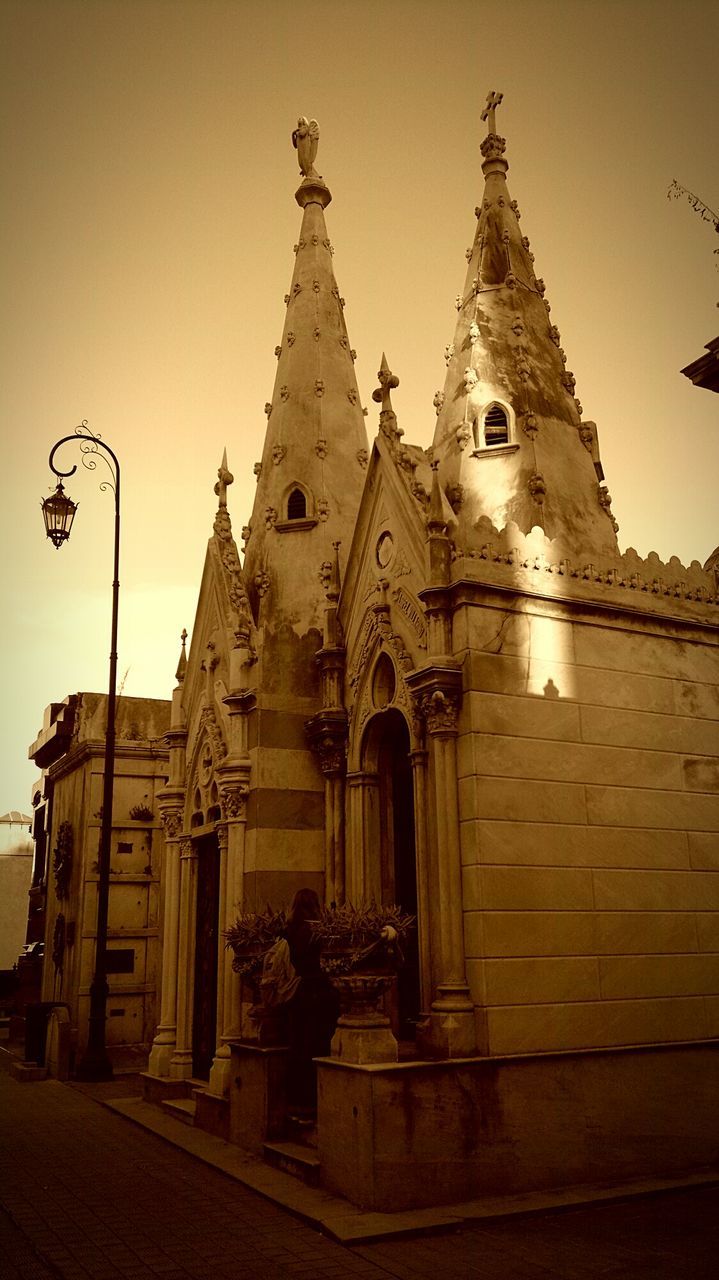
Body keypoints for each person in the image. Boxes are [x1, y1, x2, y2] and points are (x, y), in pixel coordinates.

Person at [283, 887, 339, 1119]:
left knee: (300, 1048)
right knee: (317, 1046)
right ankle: (314, 1105)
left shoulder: (290, 931)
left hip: (301, 992)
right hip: (320, 993)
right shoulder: (317, 931)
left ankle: (298, 1104)